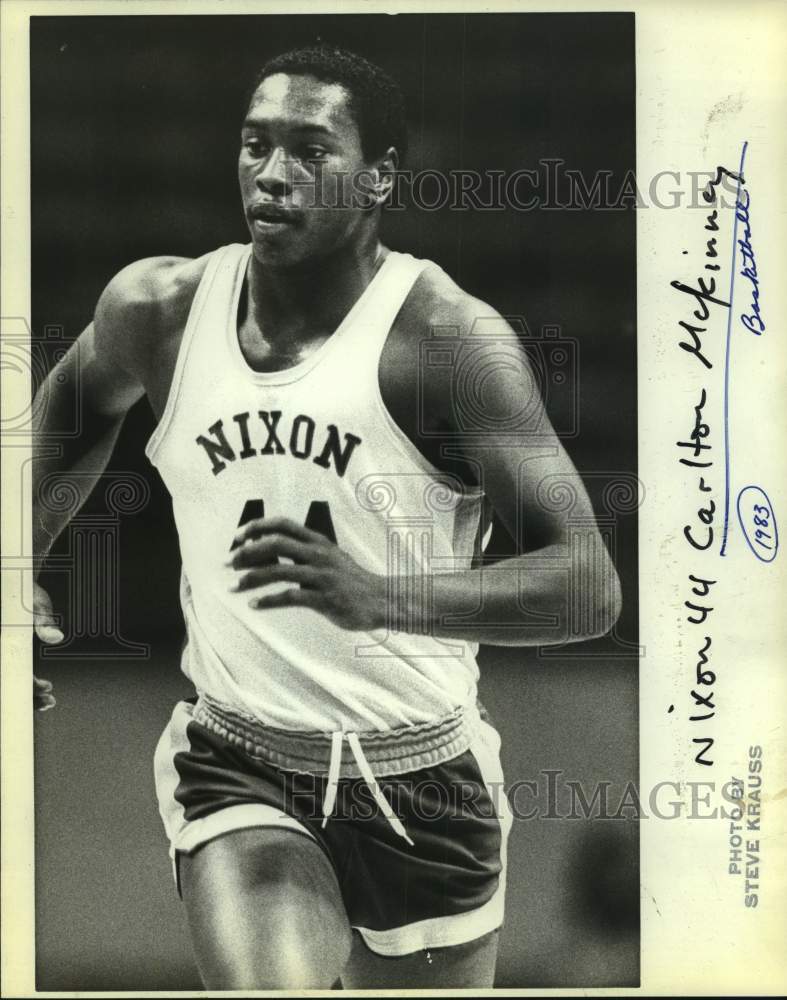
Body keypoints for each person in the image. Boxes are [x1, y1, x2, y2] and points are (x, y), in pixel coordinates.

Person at [32, 45, 622, 989]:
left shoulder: (446, 342)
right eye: (255, 144)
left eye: (310, 150)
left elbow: (587, 584)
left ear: (380, 175)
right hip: (239, 759)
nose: (271, 174)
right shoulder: (161, 308)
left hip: (426, 778)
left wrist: (380, 595)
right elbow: (63, 425)